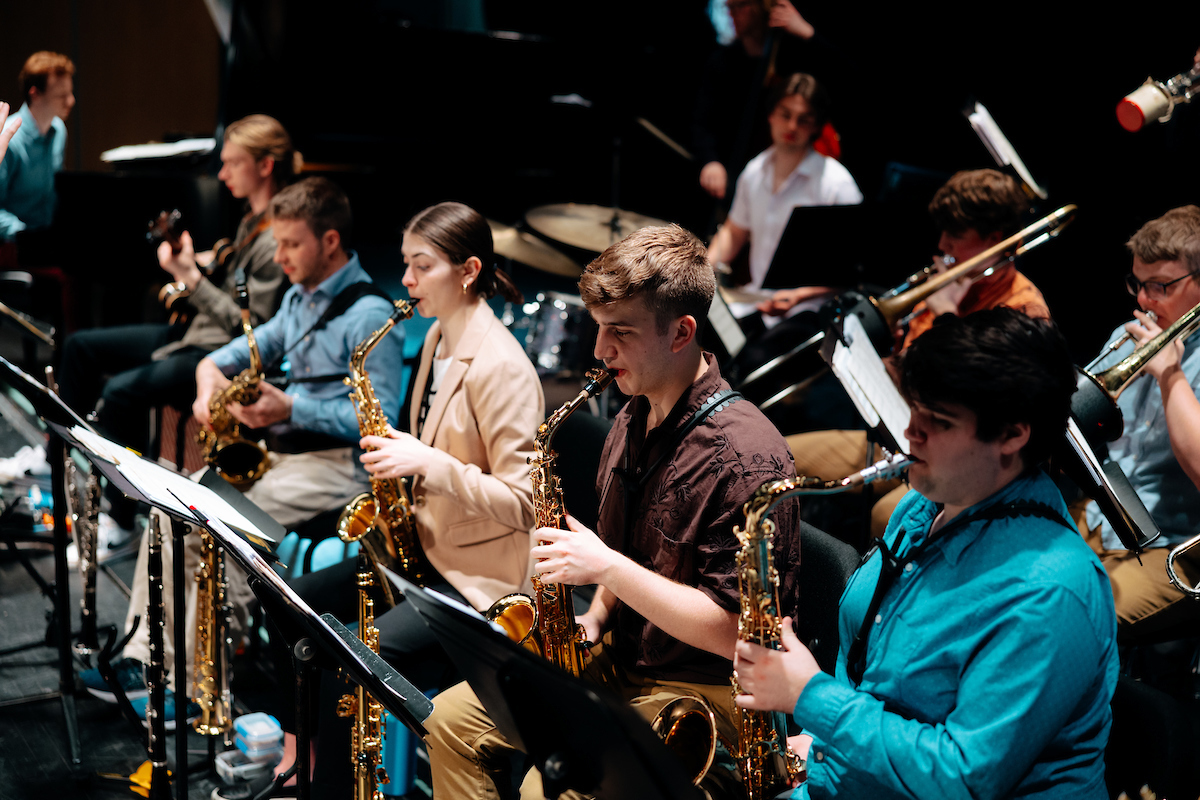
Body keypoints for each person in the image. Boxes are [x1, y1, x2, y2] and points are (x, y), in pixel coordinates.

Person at [424, 224, 801, 799]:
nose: (599, 351)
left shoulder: (747, 460)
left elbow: (738, 634)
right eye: (599, 329)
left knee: (544, 790)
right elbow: (630, 545)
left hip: (708, 695)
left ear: (682, 332)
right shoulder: (632, 414)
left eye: (620, 332)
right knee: (448, 721)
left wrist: (605, 570)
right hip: (625, 657)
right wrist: (596, 615)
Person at [734, 308, 1118, 799]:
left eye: (937, 421)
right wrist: (824, 739)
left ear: (1012, 435)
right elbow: (878, 674)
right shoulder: (926, 503)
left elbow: (962, 778)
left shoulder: (1050, 593)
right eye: (913, 407)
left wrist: (812, 699)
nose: (910, 431)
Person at [81, 177, 405, 719]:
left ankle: (198, 686)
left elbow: (383, 421)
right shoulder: (301, 298)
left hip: (335, 469)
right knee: (170, 514)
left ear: (330, 242)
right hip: (283, 457)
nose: (279, 257)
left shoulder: (369, 315)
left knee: (219, 533)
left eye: (291, 245)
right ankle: (148, 660)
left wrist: (290, 409)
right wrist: (208, 385)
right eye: (276, 244)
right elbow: (221, 357)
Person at [57, 114, 295, 534]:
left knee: (119, 394)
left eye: (232, 163)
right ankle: (69, 463)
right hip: (194, 334)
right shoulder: (251, 219)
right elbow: (232, 281)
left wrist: (192, 278)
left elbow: (250, 327)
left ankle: (121, 514)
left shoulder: (278, 235)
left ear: (265, 166)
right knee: (80, 347)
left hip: (218, 353)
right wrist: (201, 264)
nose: (221, 174)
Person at [784, 168, 1050, 542]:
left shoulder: (1024, 314)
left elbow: (971, 404)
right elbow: (904, 372)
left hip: (951, 455)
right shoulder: (950, 281)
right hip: (896, 431)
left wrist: (945, 318)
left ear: (995, 240)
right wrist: (892, 343)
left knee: (885, 518)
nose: (942, 245)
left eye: (956, 236)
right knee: (781, 457)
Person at [1077, 205, 1200, 640]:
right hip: (1100, 516)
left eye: (1159, 286)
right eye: (1137, 283)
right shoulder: (1126, 335)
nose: (1143, 300)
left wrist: (1171, 374)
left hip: (1171, 543)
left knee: (1076, 619)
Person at [707, 72, 862, 329]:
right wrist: (703, 268)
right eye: (785, 114)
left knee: (751, 362)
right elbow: (735, 231)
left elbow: (850, 270)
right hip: (758, 300)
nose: (791, 127)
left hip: (812, 311)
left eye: (803, 120)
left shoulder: (836, 184)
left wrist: (799, 295)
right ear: (771, 115)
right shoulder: (755, 170)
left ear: (816, 126)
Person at [0, 52, 74, 241]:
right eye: (61, 96)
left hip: (47, 239)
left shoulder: (59, 130)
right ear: (35, 94)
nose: (71, 101)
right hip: (16, 246)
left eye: (70, 93)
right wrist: (26, 237)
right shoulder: (9, 139)